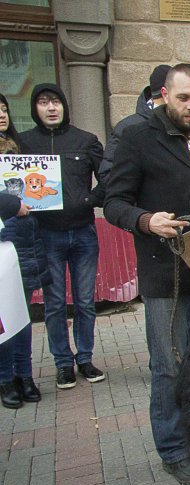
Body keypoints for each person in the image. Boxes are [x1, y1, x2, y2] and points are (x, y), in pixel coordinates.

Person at [104, 63, 190, 485]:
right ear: (163, 94)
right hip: (163, 270)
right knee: (169, 365)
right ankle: (172, 448)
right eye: (184, 98)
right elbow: (113, 202)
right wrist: (147, 221)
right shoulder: (136, 135)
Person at [18, 83, 105, 389]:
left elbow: (109, 177)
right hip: (45, 234)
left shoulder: (85, 140)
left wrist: (90, 200)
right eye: (43, 102)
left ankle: (85, 358)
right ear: (35, 108)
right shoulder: (23, 143)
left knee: (84, 301)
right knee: (54, 304)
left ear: (65, 105)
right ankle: (63, 363)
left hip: (83, 232)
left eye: (56, 101)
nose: (51, 107)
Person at [0, 93, 50, 409]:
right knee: (3, 315)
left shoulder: (20, 151)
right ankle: (6, 379)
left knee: (23, 313)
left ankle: (25, 374)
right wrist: (12, 204)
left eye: (4, 109)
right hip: (2, 240)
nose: (2, 114)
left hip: (25, 240)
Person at [97, 64, 171, 183]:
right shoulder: (128, 128)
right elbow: (108, 174)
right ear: (165, 94)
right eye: (184, 96)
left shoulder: (189, 126)